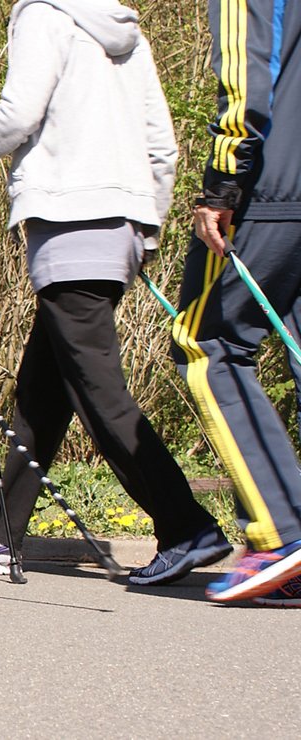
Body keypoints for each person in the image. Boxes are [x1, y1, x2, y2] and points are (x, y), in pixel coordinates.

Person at [0, 0, 229, 586]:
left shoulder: (42, 15)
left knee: (98, 394)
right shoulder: (123, 28)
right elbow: (161, 144)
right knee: (44, 391)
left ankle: (187, 526)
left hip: (68, 228)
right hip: (119, 229)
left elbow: (18, 114)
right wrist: (147, 227)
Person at [172, 0, 301, 605]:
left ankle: (282, 534)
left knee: (207, 343)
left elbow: (246, 74)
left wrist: (223, 182)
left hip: (275, 187)